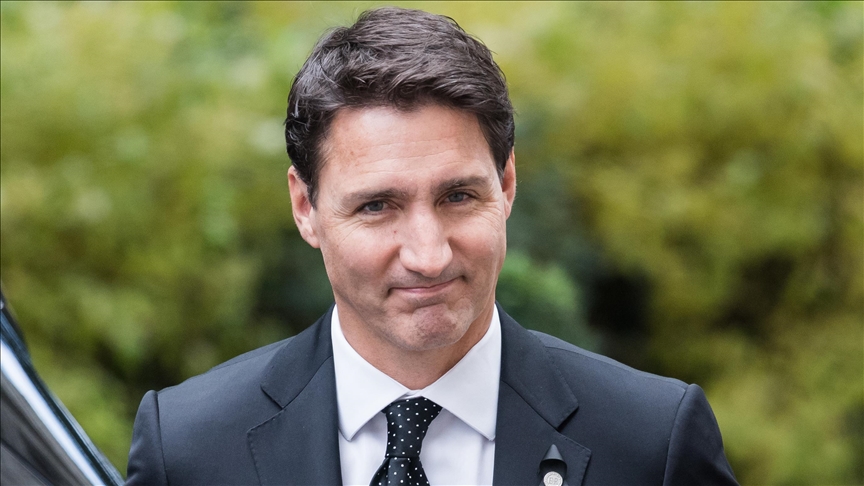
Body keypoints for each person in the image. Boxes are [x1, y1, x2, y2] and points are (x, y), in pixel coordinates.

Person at [126, 7, 737, 486]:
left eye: (458, 196)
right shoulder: (188, 447)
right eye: (377, 206)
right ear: (305, 207)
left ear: (506, 185)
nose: (429, 255)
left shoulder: (651, 441)